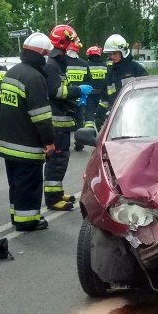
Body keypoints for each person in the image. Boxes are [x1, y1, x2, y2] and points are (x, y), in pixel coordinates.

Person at [0, 32, 57, 231]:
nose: (48, 57)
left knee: (16, 184)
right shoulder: (35, 77)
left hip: (7, 142)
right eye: (47, 53)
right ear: (41, 53)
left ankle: (17, 216)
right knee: (29, 185)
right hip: (27, 144)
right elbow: (41, 117)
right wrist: (49, 142)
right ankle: (27, 221)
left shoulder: (11, 72)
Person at [43, 24, 93, 211]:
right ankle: (53, 198)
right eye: (71, 41)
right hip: (56, 122)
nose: (74, 45)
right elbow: (56, 91)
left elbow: (62, 91)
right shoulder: (52, 65)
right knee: (56, 160)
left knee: (61, 159)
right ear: (63, 42)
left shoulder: (58, 62)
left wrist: (75, 100)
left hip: (61, 118)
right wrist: (77, 90)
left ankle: (56, 192)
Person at [95, 34, 148, 126]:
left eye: (114, 53)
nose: (111, 57)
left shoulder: (135, 68)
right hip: (117, 119)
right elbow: (105, 98)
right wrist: (100, 115)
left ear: (123, 51)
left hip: (138, 115)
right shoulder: (110, 73)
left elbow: (147, 91)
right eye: (109, 54)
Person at [65, 39, 91, 151]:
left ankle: (64, 144)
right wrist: (85, 96)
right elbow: (89, 83)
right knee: (80, 122)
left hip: (65, 97)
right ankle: (80, 143)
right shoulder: (84, 64)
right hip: (79, 98)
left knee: (63, 123)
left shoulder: (62, 63)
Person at [84, 45, 107, 131]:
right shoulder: (105, 66)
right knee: (101, 111)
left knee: (89, 111)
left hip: (90, 93)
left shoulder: (86, 65)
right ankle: (101, 126)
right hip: (102, 94)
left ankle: (89, 131)